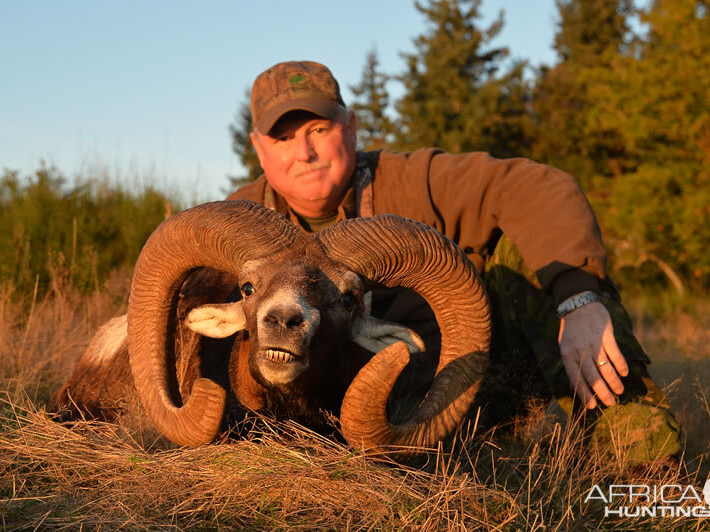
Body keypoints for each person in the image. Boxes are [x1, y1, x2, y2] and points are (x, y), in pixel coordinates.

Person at [227, 60, 681, 463]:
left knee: (528, 252)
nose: (304, 153)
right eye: (283, 138)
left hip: (469, 391)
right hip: (339, 417)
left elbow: (537, 187)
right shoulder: (237, 225)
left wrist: (577, 299)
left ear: (350, 125)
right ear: (258, 147)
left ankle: (639, 448)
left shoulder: (415, 182)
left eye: (318, 131)